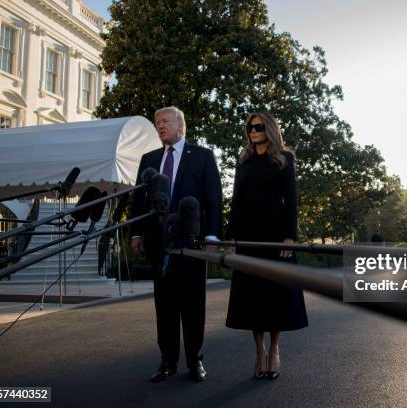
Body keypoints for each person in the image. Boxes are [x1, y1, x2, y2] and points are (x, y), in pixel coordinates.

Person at [130, 106, 222, 383]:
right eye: (157, 122)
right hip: (160, 245)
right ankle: (168, 361)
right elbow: (138, 201)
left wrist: (212, 237)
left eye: (165, 121)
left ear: (180, 126)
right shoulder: (149, 159)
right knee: (165, 308)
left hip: (191, 243)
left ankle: (195, 361)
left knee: (193, 307)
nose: (160, 125)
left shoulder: (202, 156)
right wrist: (137, 234)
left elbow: (214, 198)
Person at [225, 112, 308, 380]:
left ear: (269, 129)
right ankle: (259, 350)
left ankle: (274, 350)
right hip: (248, 237)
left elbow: (291, 200)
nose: (253, 131)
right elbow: (236, 201)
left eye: (258, 127)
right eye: (250, 127)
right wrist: (232, 237)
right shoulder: (244, 160)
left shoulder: (284, 158)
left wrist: (290, 237)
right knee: (252, 297)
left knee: (275, 296)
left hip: (275, 237)